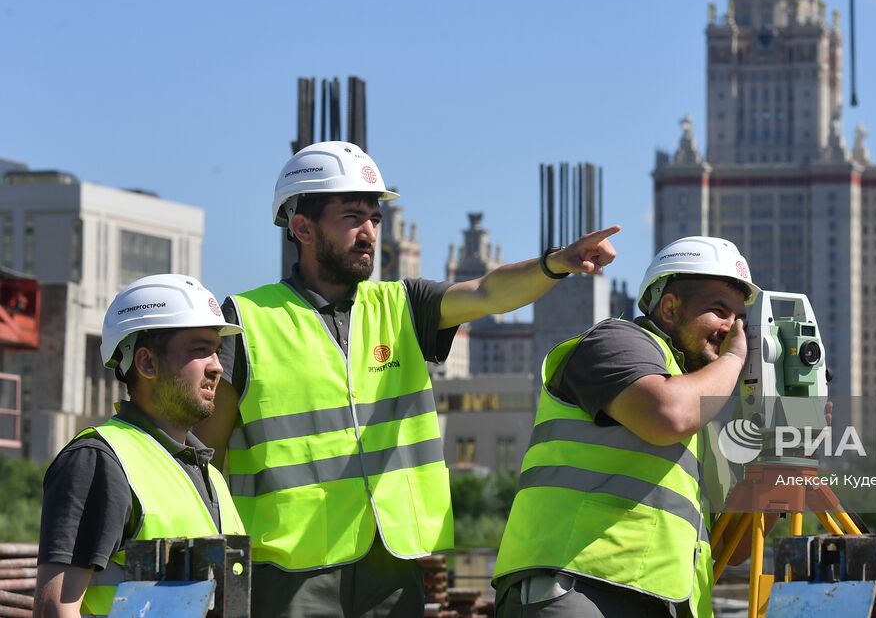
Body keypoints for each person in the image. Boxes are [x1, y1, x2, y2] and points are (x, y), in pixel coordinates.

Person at [194, 141, 618, 618]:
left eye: (374, 219)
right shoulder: (246, 320)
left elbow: (488, 293)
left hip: (392, 570)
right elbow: (206, 457)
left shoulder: (402, 305)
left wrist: (554, 264)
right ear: (302, 227)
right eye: (352, 217)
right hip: (288, 572)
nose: (369, 232)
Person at [492, 235, 761, 618]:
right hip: (578, 588)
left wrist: (782, 454)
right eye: (720, 311)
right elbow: (666, 415)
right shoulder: (615, 341)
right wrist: (734, 359)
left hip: (663, 601)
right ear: (669, 307)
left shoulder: (702, 421)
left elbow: (735, 546)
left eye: (740, 318)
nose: (732, 329)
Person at [35, 274, 245, 617]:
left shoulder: (211, 476)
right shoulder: (99, 461)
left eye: (217, 351)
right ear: (147, 362)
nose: (217, 367)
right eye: (199, 350)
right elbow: (54, 609)